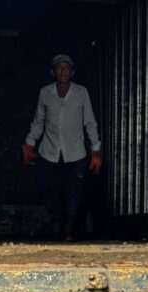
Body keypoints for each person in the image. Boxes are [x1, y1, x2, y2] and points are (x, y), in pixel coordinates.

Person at [22, 53, 102, 239]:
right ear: (53, 72)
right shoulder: (45, 93)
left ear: (72, 72)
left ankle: (68, 230)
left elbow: (89, 122)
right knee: (49, 189)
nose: (63, 71)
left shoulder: (81, 93)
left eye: (66, 67)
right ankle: (57, 226)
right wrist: (29, 143)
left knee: (74, 192)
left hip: (75, 152)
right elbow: (38, 121)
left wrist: (96, 149)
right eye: (59, 67)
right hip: (49, 151)